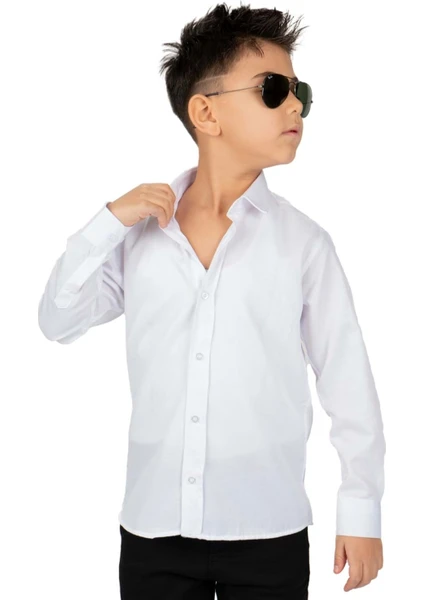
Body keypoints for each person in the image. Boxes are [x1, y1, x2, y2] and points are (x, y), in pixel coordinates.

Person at [38, 3, 385, 599]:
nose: (295, 105)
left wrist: (361, 510)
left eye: (299, 92)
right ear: (205, 112)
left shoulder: (303, 244)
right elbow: (57, 320)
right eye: (273, 89)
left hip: (267, 528)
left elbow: (347, 380)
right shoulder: (138, 238)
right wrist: (108, 222)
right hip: (153, 529)